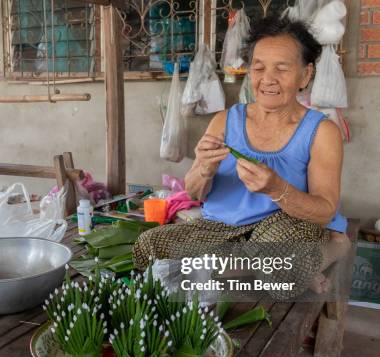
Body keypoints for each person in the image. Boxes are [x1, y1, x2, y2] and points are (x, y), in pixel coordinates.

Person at [133, 16, 350, 300]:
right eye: (258, 68)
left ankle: (334, 248)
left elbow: (324, 210)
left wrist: (276, 189)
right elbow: (194, 191)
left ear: (306, 75)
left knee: (276, 258)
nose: (267, 79)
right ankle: (284, 269)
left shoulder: (321, 131)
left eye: (282, 69)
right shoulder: (226, 120)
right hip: (220, 229)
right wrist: (204, 169)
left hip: (282, 228)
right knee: (149, 247)